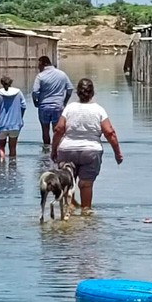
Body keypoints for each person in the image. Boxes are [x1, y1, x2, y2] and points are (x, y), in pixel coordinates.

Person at [50, 78, 123, 214]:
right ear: (93, 93)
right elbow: (109, 132)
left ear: (77, 92)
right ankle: (86, 215)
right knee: (86, 184)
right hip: (91, 151)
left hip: (67, 151)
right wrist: (117, 153)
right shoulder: (99, 110)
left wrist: (53, 150)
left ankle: (68, 214)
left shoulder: (69, 108)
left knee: (67, 183)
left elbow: (59, 129)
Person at [32, 56, 72, 148]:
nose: (38, 67)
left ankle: (46, 151)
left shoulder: (40, 76)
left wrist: (35, 101)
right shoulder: (62, 74)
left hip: (44, 107)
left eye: (39, 64)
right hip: (58, 106)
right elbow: (70, 89)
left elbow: (35, 91)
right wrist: (65, 101)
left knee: (45, 130)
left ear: (43, 64)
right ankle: (57, 150)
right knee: (57, 130)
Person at [0, 75, 26, 161]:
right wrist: (20, 118)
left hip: (1, 125)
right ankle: (12, 167)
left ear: (2, 83)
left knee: (1, 146)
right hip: (15, 125)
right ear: (11, 83)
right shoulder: (18, 92)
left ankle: (1, 164)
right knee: (13, 148)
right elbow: (23, 106)